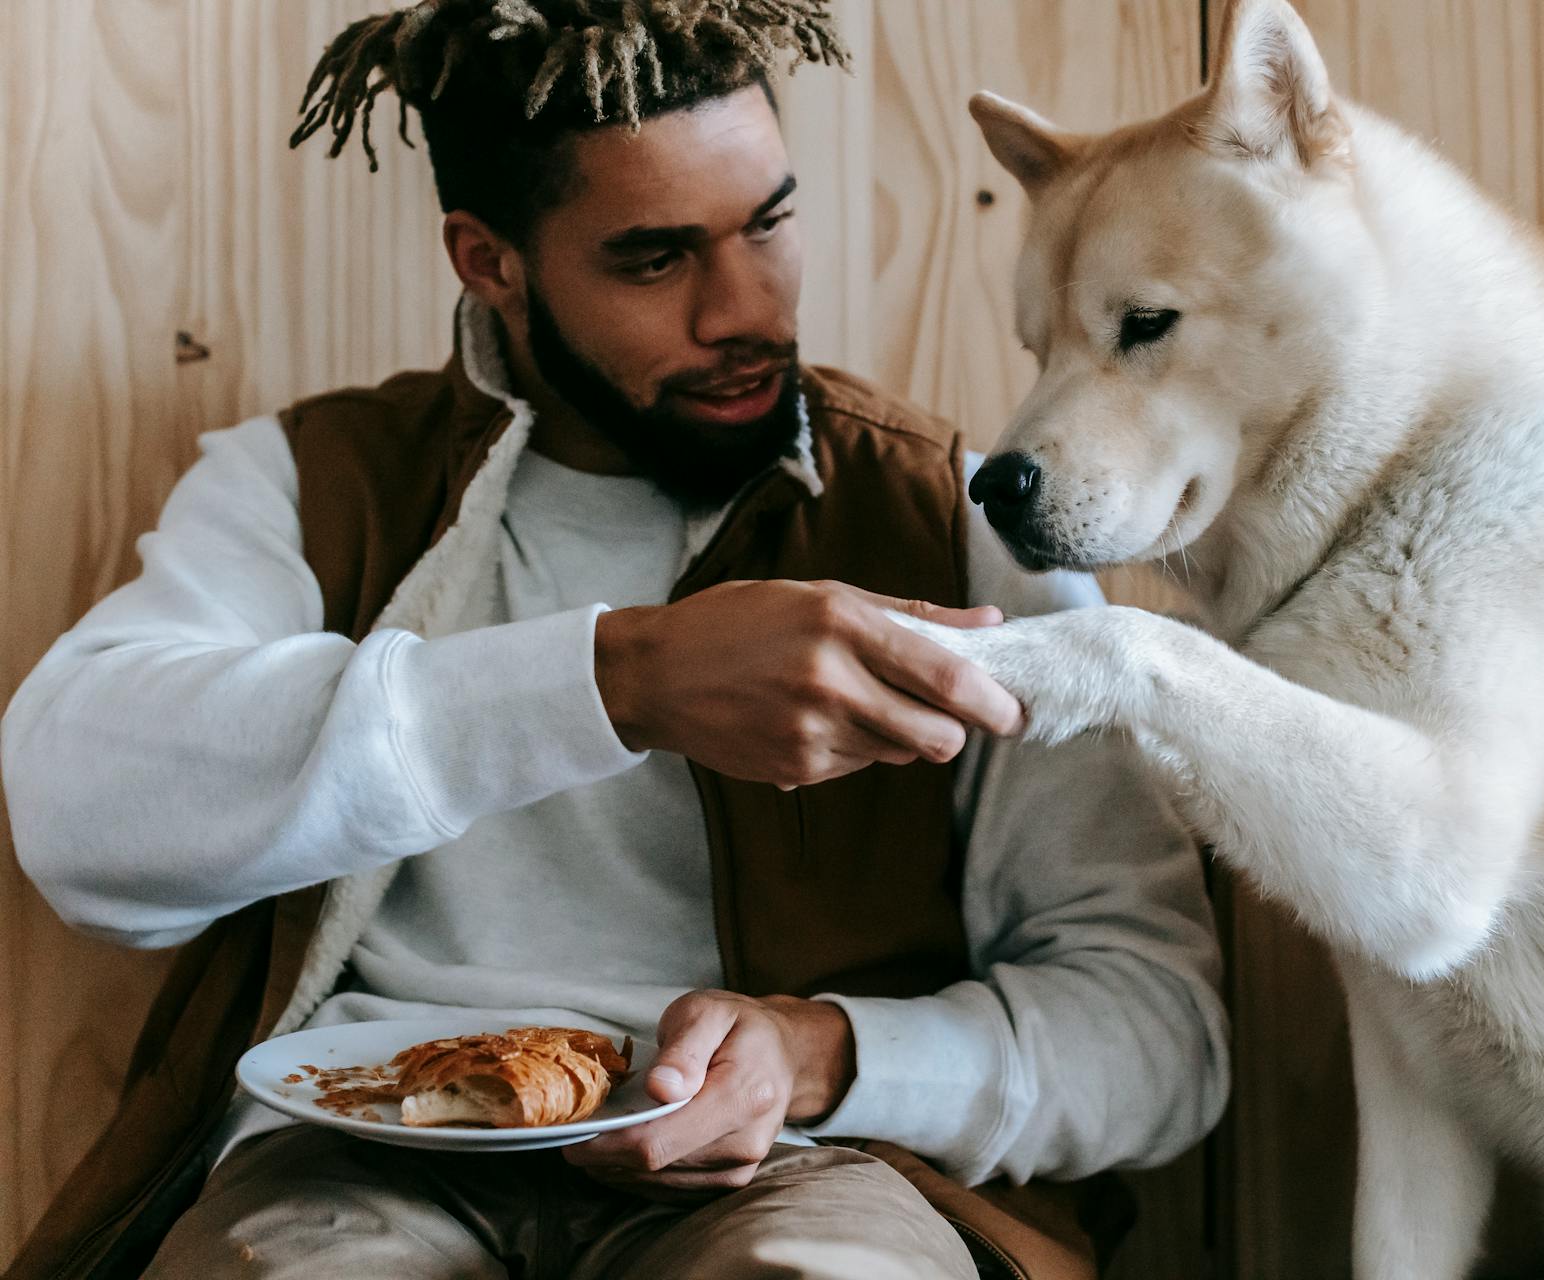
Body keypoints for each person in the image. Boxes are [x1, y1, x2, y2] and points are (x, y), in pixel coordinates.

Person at [0, 3, 1228, 1278]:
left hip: (820, 1168)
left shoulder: (946, 515)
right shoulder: (307, 486)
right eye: (653, 258)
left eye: (770, 220)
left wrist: (823, 1057)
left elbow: (1161, 1037)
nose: (745, 308)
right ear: (489, 261)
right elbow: (80, 815)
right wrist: (621, 677)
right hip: (358, 1162)